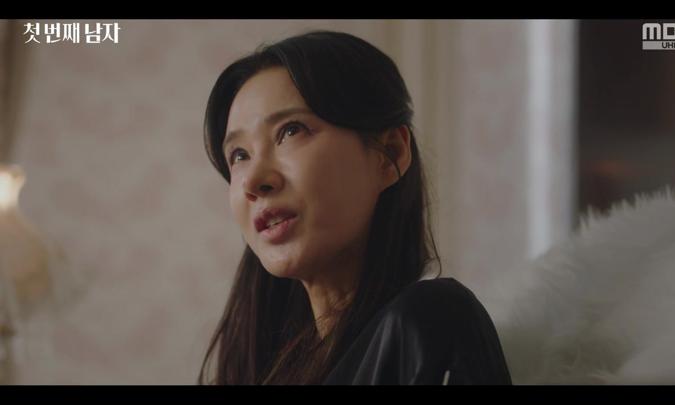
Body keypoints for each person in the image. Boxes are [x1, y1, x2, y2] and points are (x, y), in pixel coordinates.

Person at [198, 30, 511, 385]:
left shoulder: (430, 320)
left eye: (291, 131)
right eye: (239, 155)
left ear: (389, 154)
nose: (254, 180)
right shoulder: (259, 369)